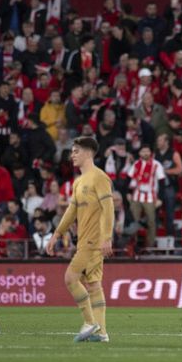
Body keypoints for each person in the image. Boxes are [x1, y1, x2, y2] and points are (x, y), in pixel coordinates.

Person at [45, 137, 115, 342]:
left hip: (94, 241)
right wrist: (57, 234)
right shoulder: (78, 182)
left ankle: (89, 321)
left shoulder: (99, 177)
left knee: (70, 277)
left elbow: (109, 208)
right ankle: (101, 332)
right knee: (93, 285)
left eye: (76, 151)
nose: (72, 155)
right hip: (84, 240)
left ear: (87, 153)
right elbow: (71, 211)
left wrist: (107, 237)